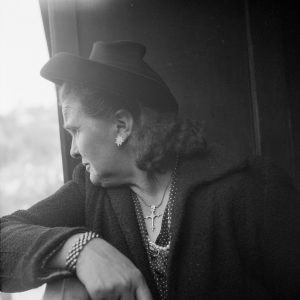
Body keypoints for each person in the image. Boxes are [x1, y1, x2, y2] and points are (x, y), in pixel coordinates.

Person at [1, 40, 300, 300]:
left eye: (76, 130)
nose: (73, 151)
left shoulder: (251, 188)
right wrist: (79, 248)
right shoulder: (89, 192)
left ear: (122, 125)